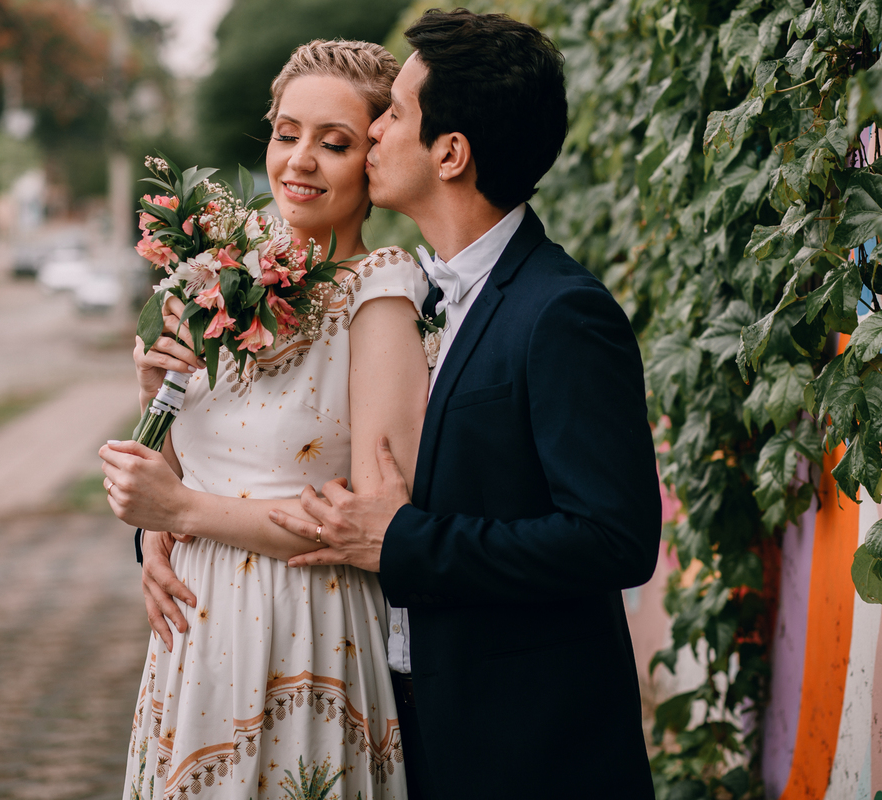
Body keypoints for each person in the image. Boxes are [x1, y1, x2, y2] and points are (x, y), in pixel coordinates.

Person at [268, 10, 663, 800]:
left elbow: (614, 540)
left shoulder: (562, 311)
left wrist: (408, 541)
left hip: (531, 746)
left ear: (450, 152)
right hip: (415, 725)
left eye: (396, 114)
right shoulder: (406, 294)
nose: (374, 131)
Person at [99, 39, 429, 800]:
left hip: (306, 629)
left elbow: (382, 524)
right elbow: (183, 473)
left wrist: (180, 509)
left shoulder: (379, 295)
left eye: (334, 142)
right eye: (287, 134)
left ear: (374, 158)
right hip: (194, 634)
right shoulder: (216, 277)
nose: (300, 161)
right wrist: (153, 397)